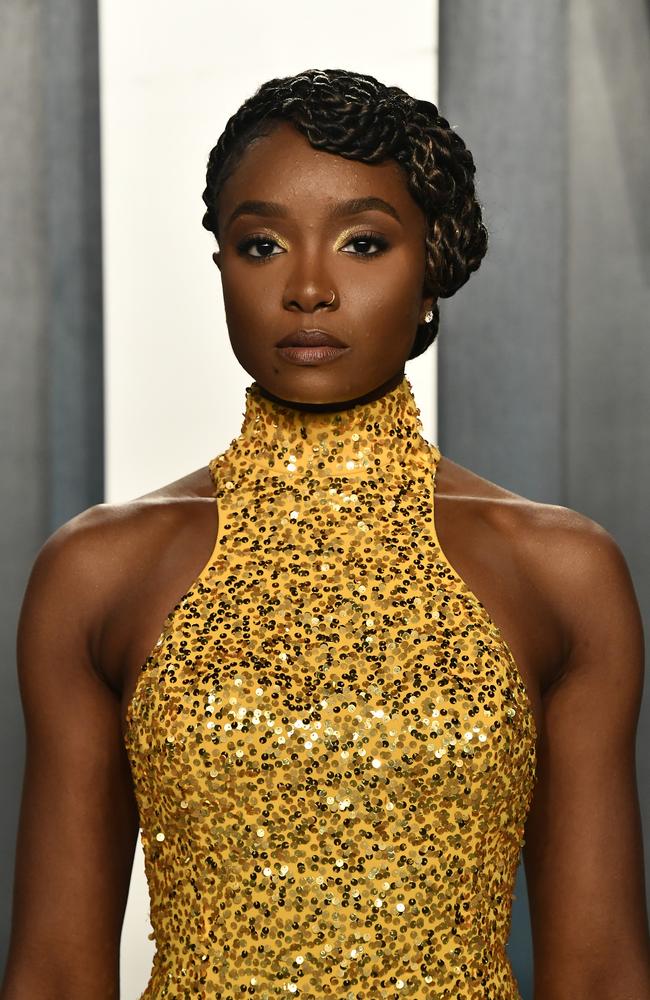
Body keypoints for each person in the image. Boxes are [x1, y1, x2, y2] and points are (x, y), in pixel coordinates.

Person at [1, 67, 649, 1000]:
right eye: (262, 244)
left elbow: (599, 973)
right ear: (221, 265)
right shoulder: (97, 572)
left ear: (433, 267)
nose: (308, 288)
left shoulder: (563, 571)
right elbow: (56, 974)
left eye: (362, 243)